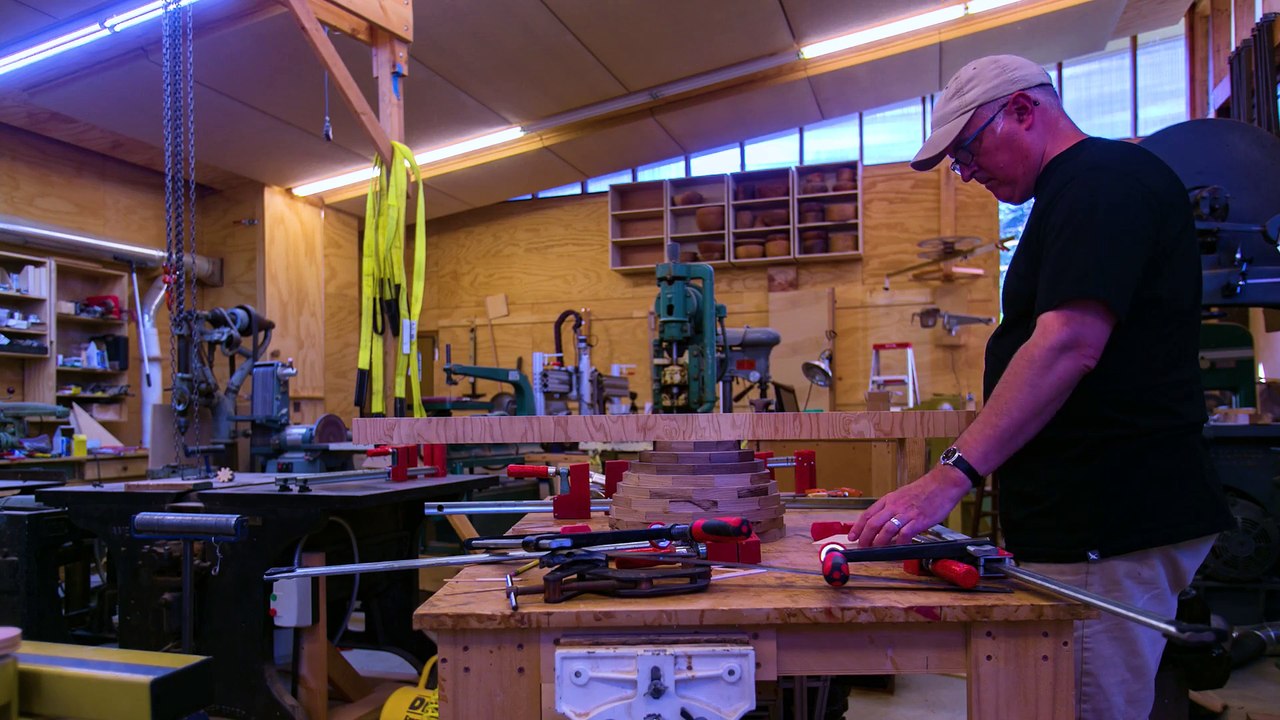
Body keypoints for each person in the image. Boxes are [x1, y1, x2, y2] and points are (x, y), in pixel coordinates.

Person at [847, 54, 1234, 719]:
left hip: (1108, 525)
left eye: (968, 149)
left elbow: (1067, 344)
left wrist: (950, 476)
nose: (967, 173)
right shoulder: (1076, 192)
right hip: (1090, 524)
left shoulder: (1101, 183)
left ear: (1024, 111)